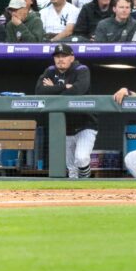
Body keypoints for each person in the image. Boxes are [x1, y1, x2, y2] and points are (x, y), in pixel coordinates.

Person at [34, 43, 96, 179]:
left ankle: (86, 183)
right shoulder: (50, 71)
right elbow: (39, 91)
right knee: (72, 169)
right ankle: (76, 191)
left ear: (72, 58)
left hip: (85, 124)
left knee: (81, 159)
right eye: (57, 56)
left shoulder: (81, 69)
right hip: (64, 127)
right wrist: (63, 87)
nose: (60, 59)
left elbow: (78, 91)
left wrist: (53, 88)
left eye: (64, 56)